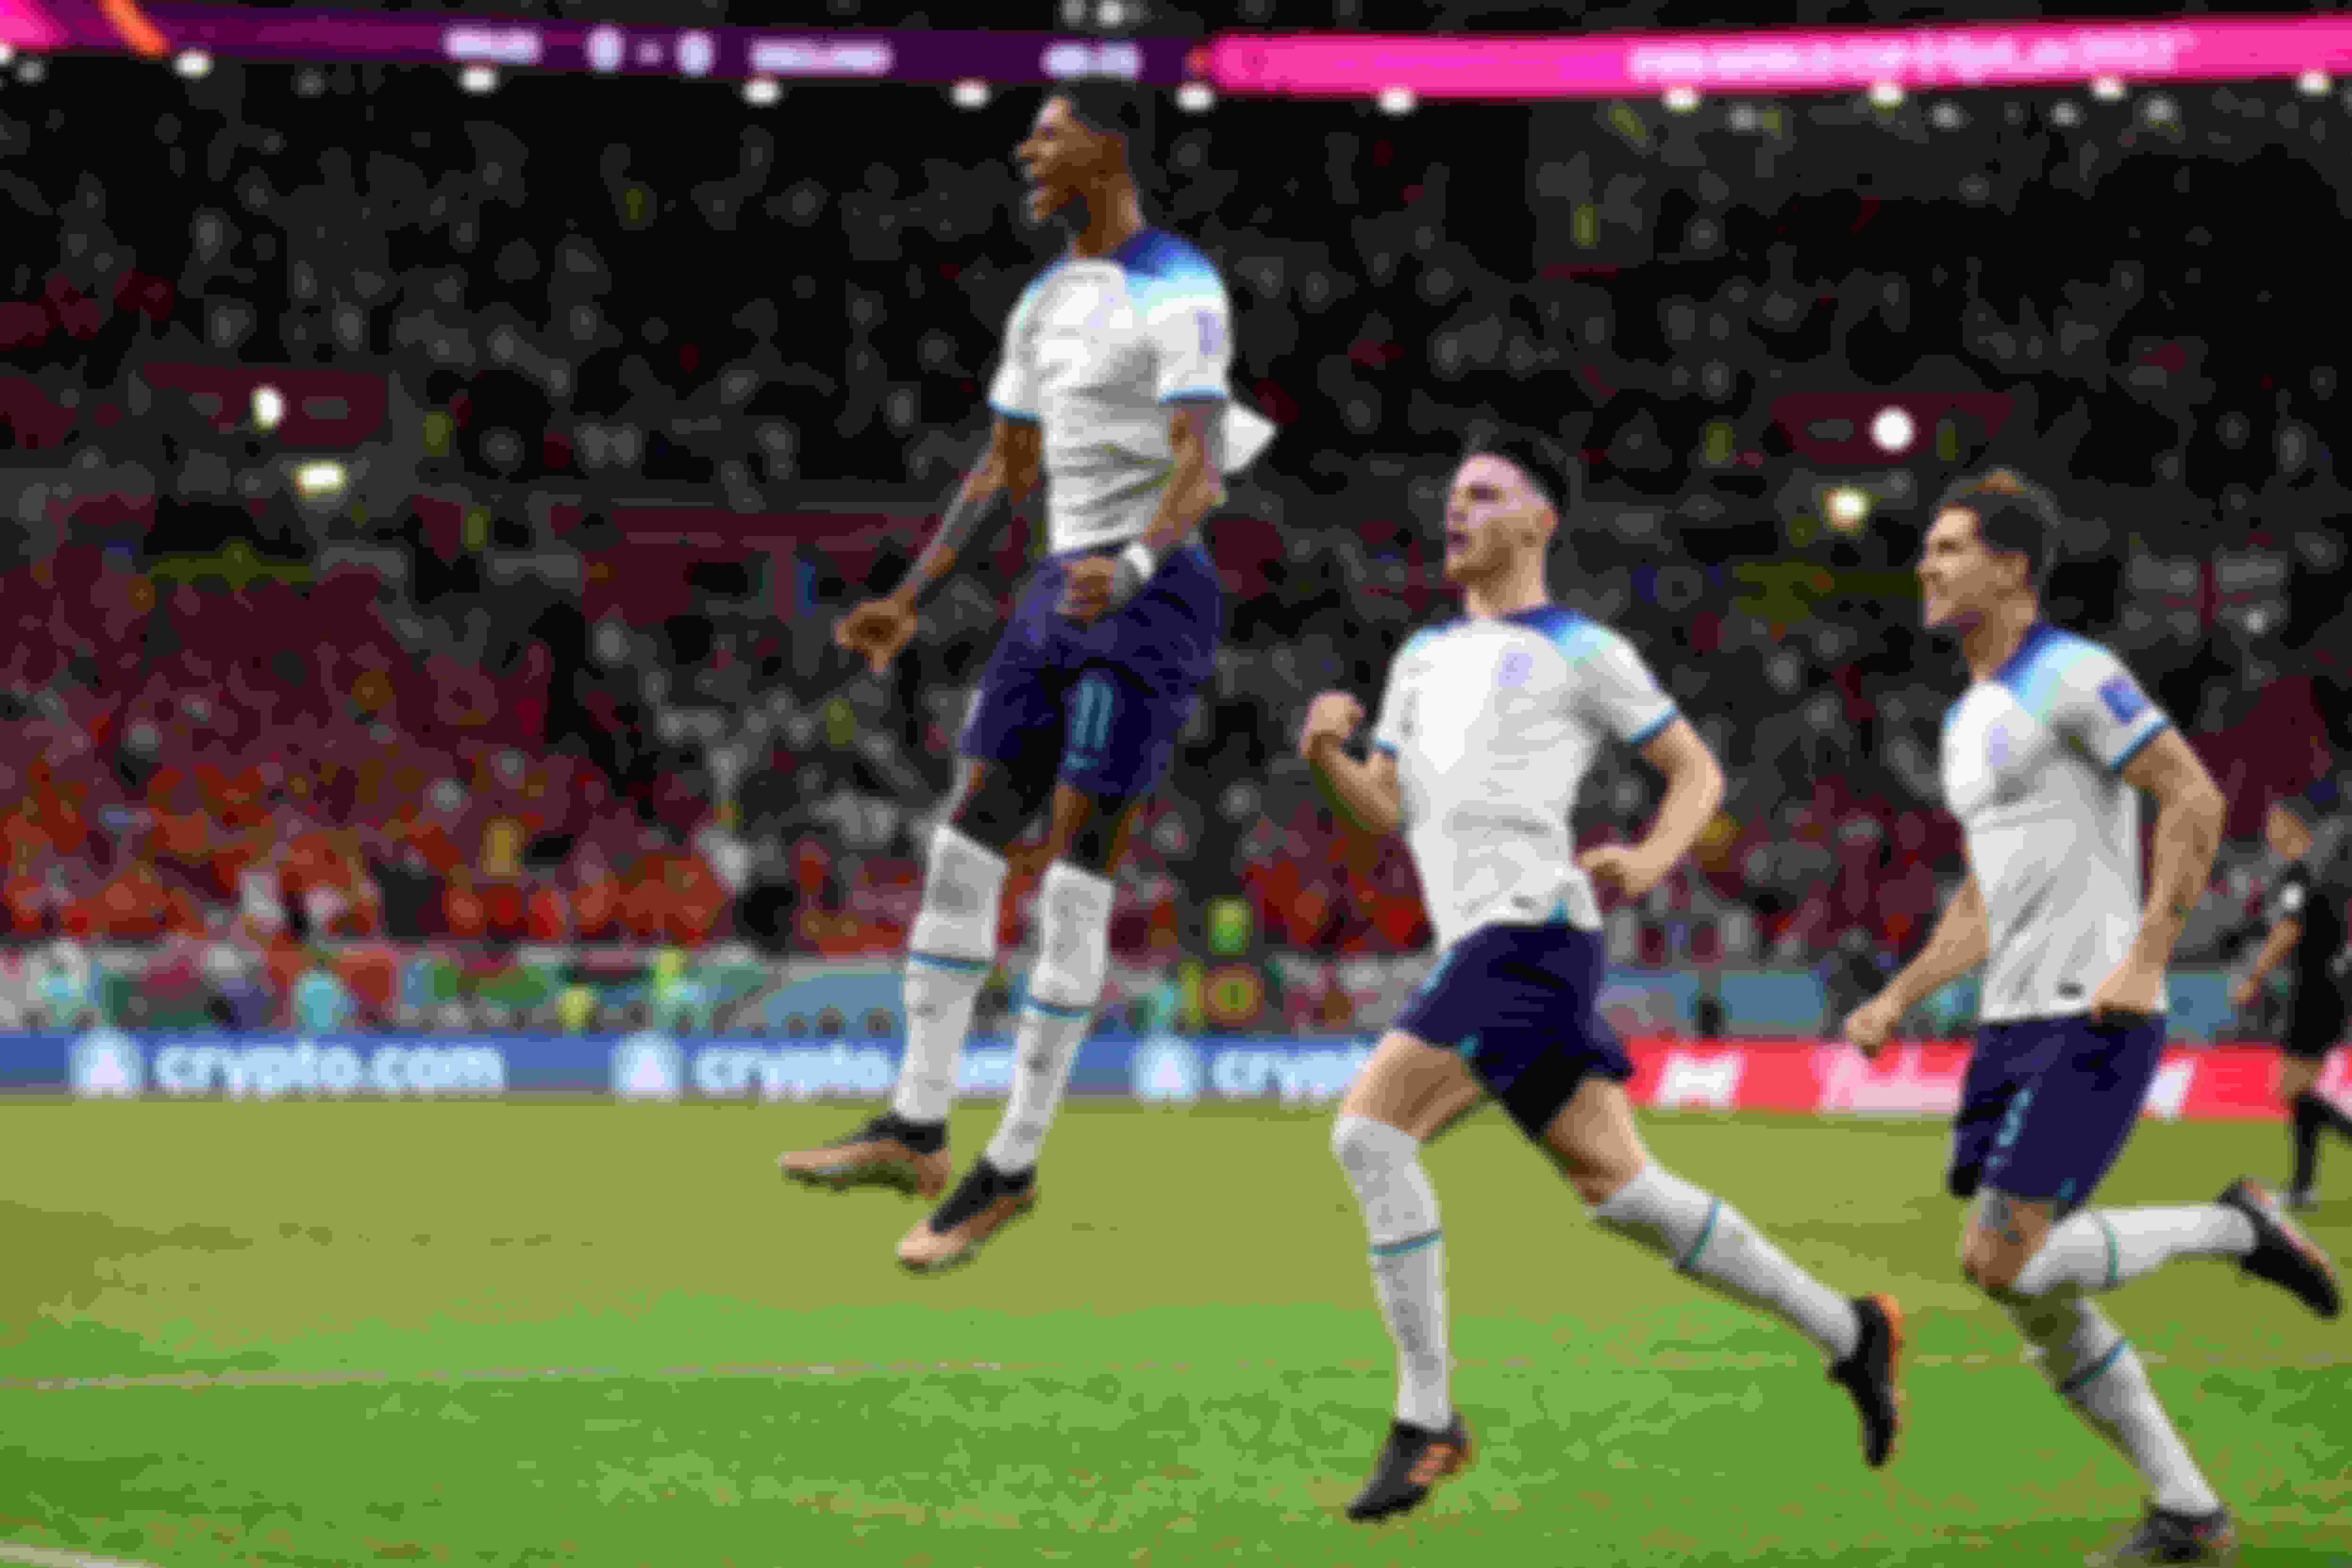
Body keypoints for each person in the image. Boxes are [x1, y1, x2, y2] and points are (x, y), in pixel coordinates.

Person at [1301, 442, 1903, 1525]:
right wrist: (1325, 760)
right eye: (1452, 495)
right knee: (1621, 1189)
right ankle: (1850, 1328)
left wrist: (1661, 854)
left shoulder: (1582, 649)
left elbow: (1696, 769)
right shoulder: (1423, 655)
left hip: (1530, 937)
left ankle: (1427, 1415)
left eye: (1484, 493)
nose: (1458, 509)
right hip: (1485, 946)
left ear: (1538, 521)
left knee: (1369, 1133)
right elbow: (1383, 810)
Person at [776, 80, 1274, 1273]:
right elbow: (1004, 466)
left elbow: (1203, 468)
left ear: (1111, 146)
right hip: (1055, 590)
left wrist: (1143, 560)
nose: (1026, 148)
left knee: (1072, 876)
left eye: (1048, 132)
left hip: (1147, 598)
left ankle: (1013, 1161)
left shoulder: (1182, 287)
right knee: (962, 846)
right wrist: (912, 594)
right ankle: (914, 1122)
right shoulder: (1046, 300)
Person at [1842, 469, 2340, 1567]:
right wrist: (1899, 994)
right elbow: (1981, 899)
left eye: (1951, 546)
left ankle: (2237, 1225)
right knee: (2026, 1288)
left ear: (2013, 567)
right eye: (1928, 547)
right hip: (2010, 1026)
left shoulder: (2072, 674)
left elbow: (2195, 795)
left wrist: (2147, 953)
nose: (1926, 563)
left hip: (2093, 1013)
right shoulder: (1969, 719)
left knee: (2001, 1258)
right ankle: (2188, 1508)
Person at [2229, 785, 2352, 1210]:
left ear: (2293, 825)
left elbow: (2288, 930)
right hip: (2328, 988)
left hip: (2316, 992)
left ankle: (2303, 1186)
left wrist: (2252, 976)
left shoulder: (2300, 875)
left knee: (2294, 1089)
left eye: (2274, 824)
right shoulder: (2321, 873)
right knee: (2301, 1092)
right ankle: (2303, 1188)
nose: (2268, 833)